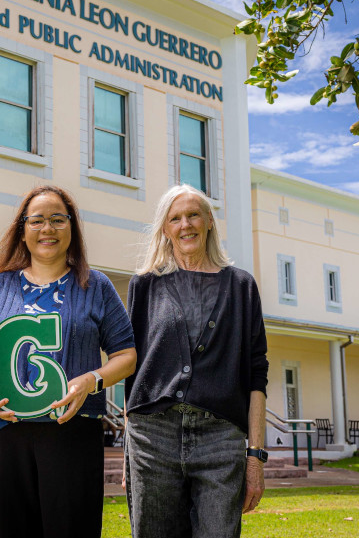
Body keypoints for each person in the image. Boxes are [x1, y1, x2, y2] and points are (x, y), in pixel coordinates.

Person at [0, 185, 136, 538]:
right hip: (7, 431)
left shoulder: (95, 285)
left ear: (72, 228)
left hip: (72, 431)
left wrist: (92, 381)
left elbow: (127, 355)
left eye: (58, 219)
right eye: (37, 220)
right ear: (23, 231)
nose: (48, 229)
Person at [124, 184, 269, 538]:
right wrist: (129, 450)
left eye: (193, 215)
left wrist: (255, 457)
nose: (185, 224)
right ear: (165, 229)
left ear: (208, 222)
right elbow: (133, 370)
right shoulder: (145, 285)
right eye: (175, 218)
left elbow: (256, 377)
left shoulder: (241, 287)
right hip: (153, 436)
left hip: (220, 438)